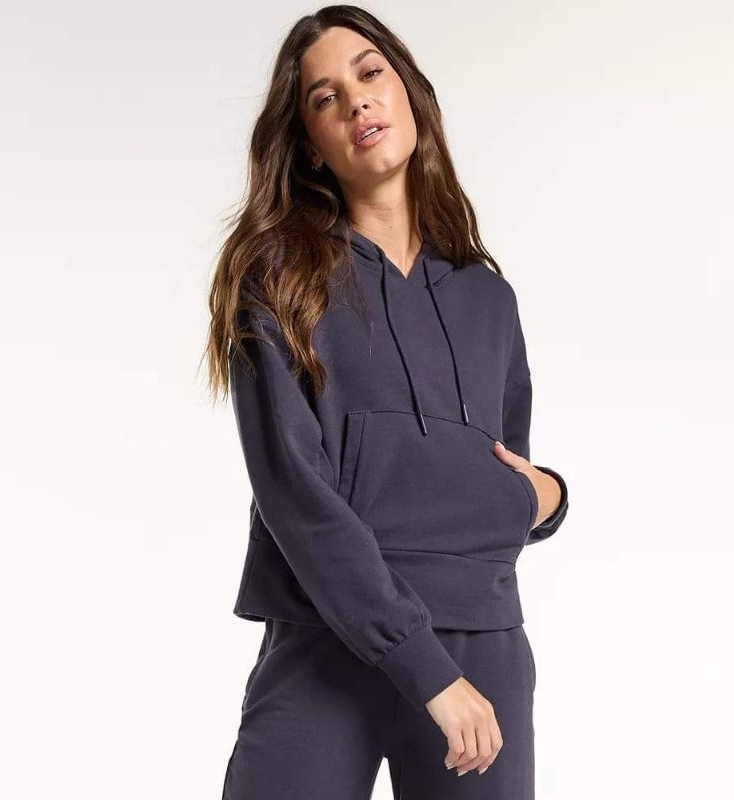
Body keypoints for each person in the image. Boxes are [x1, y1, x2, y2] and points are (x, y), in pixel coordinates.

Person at [205, 5, 569, 799]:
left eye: (370, 73)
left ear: (407, 91)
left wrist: (545, 497)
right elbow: (297, 497)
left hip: (482, 640)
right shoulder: (277, 277)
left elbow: (496, 483)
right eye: (325, 97)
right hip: (323, 637)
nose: (357, 101)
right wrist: (424, 667)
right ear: (310, 142)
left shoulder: (488, 299)